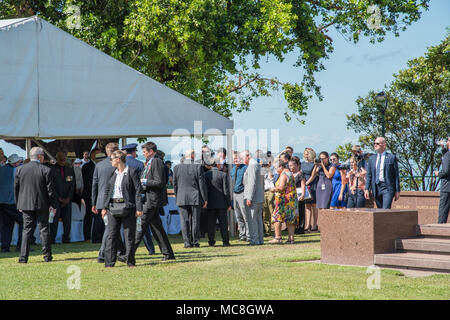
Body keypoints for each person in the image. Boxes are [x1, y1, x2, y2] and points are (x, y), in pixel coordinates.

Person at [101, 150, 143, 268]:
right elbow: (108, 191)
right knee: (111, 235)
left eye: (112, 159)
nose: (111, 162)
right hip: (113, 207)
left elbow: (138, 191)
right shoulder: (112, 173)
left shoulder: (131, 172)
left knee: (129, 235)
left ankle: (130, 261)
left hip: (128, 207)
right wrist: (104, 207)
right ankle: (109, 263)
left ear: (118, 159)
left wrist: (139, 208)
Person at [16, 147, 56, 263]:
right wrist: (53, 204)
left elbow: (17, 188)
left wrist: (19, 203)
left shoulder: (20, 169)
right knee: (44, 229)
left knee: (26, 230)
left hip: (25, 204)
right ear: (39, 157)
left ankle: (23, 257)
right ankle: (47, 256)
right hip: (42, 204)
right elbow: (50, 190)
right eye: (43, 155)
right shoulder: (46, 170)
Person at [138, 142, 175, 260]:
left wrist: (144, 182)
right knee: (157, 228)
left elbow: (159, 182)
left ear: (151, 151)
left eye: (144, 152)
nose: (143, 154)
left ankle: (127, 253)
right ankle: (168, 253)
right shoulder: (149, 163)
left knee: (140, 226)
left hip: (152, 200)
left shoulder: (157, 162)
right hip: (149, 198)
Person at [92, 142, 123, 263]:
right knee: (110, 229)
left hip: (100, 200)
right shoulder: (117, 165)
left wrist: (93, 202)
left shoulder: (99, 165)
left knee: (111, 228)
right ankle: (102, 254)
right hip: (112, 200)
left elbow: (94, 184)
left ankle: (121, 251)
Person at [122, 143, 155, 255]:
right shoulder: (140, 164)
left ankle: (125, 249)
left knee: (125, 226)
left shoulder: (121, 163)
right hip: (139, 197)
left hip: (125, 198)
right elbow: (142, 182)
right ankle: (150, 248)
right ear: (134, 152)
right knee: (142, 225)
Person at [173, 149, 208, 248]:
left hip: (181, 197)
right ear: (192, 156)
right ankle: (195, 241)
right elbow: (201, 185)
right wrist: (204, 198)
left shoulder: (176, 168)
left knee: (184, 221)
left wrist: (177, 196)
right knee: (195, 220)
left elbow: (174, 185)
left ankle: (187, 243)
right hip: (195, 196)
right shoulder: (198, 167)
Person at [364, 137, 401, 209]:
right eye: (374, 143)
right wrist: (367, 189)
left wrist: (397, 190)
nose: (375, 145)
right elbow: (369, 175)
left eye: (377, 143)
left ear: (384, 145)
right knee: (379, 210)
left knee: (385, 209)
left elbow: (396, 175)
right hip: (376, 187)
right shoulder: (372, 158)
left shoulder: (391, 157)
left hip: (387, 187)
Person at [269, 159, 298, 244]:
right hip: (291, 200)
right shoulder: (289, 173)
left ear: (281, 166)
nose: (275, 170)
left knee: (276, 217)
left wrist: (273, 189)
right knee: (290, 219)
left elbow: (281, 187)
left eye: (276, 168)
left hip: (283, 200)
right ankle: (291, 239)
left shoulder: (283, 174)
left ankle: (278, 237)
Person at [50, 151, 75, 243]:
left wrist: (68, 197)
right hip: (55, 200)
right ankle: (52, 238)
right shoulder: (51, 169)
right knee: (53, 220)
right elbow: (51, 185)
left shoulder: (69, 169)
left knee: (67, 220)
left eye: (64, 159)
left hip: (67, 199)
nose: (62, 160)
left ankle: (66, 238)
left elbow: (72, 184)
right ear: (57, 159)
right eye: (61, 159)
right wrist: (58, 198)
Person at [204, 161, 231, 246]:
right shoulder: (223, 175)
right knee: (223, 223)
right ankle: (225, 241)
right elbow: (226, 191)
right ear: (218, 165)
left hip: (210, 203)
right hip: (221, 203)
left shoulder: (206, 175)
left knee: (210, 224)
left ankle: (211, 241)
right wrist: (229, 203)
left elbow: (204, 189)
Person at [0, 154, 24, 252]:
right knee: (24, 222)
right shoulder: (16, 171)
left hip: (2, 202)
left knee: (6, 225)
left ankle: (5, 247)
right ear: (14, 163)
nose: (20, 163)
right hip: (13, 202)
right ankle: (21, 245)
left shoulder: (1, 169)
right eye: (18, 162)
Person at [241, 151, 265, 245]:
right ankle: (260, 239)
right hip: (259, 196)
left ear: (248, 156)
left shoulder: (252, 165)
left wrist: (249, 197)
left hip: (253, 197)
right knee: (258, 219)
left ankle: (255, 240)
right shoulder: (258, 165)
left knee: (252, 219)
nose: (242, 161)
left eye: (243, 158)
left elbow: (252, 183)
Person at [230, 151, 249, 242]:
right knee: (238, 216)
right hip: (235, 194)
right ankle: (242, 235)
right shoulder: (233, 169)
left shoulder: (245, 168)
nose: (235, 160)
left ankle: (248, 234)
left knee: (245, 215)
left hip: (242, 193)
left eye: (237, 158)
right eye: (234, 159)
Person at [81, 151, 97, 242]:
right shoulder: (86, 167)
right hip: (88, 195)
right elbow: (84, 182)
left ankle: (98, 235)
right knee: (88, 216)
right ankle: (87, 236)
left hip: (99, 194)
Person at [302, 148, 318, 232]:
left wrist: (306, 183)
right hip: (304, 184)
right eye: (305, 154)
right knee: (307, 206)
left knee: (314, 206)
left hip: (312, 184)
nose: (306, 155)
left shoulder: (314, 164)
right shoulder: (302, 163)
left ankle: (314, 225)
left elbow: (313, 175)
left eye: (307, 154)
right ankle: (307, 224)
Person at [288, 156, 306, 235]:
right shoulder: (290, 174)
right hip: (291, 195)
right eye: (289, 166)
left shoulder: (300, 174)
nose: (290, 167)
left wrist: (303, 194)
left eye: (292, 165)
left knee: (300, 212)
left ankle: (300, 228)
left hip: (299, 195)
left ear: (296, 165)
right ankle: (294, 227)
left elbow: (303, 184)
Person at [435, 137, 450, 223]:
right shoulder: (447, 154)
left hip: (447, 187)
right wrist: (443, 149)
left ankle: (439, 229)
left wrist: (438, 174)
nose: (447, 142)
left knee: (443, 211)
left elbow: (446, 171)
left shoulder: (448, 155)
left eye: (448, 140)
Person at [262, 157, 275, 237]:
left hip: (271, 191)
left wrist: (269, 169)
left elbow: (272, 178)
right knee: (265, 212)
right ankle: (267, 231)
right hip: (263, 191)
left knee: (272, 211)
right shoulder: (262, 170)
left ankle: (276, 231)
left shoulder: (274, 169)